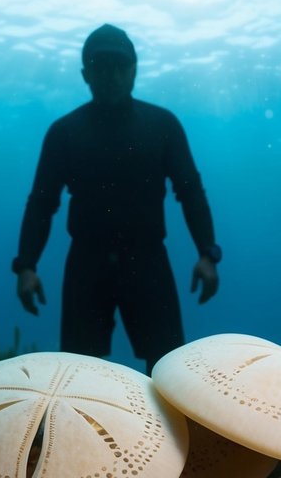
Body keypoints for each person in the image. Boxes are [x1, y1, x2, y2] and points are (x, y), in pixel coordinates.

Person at [11, 23, 222, 374]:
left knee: (170, 372)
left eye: (119, 65)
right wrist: (26, 265)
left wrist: (208, 253)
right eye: (100, 66)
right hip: (86, 266)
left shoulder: (163, 126)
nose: (111, 74)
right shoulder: (64, 133)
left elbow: (191, 192)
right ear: (85, 73)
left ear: (135, 69)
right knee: (78, 379)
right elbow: (41, 203)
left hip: (148, 261)